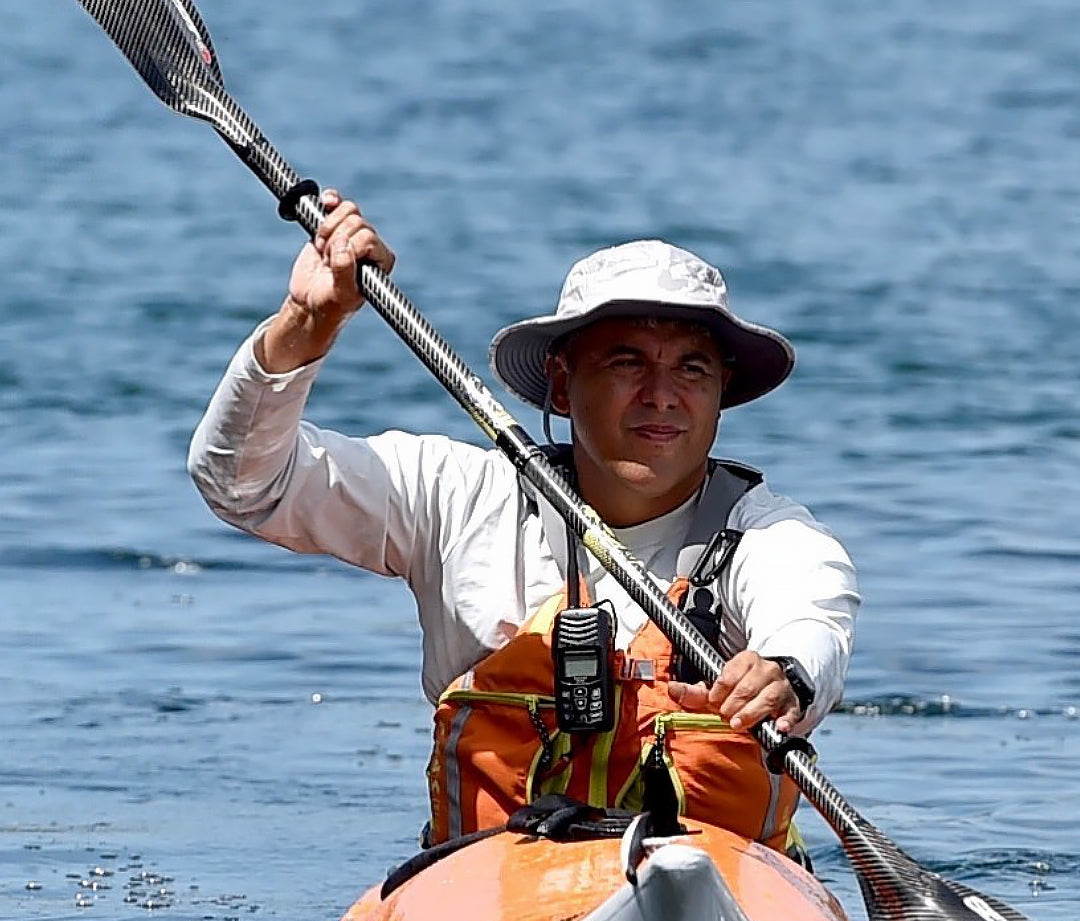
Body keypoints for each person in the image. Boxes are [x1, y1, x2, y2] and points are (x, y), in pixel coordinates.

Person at [188, 191, 859, 857]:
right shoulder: (456, 495)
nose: (662, 394)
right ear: (562, 387)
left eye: (692, 368)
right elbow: (244, 484)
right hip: (492, 888)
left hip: (714, 887)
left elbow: (813, 621)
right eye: (627, 362)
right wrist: (308, 320)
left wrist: (786, 673)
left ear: (720, 394)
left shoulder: (773, 539)